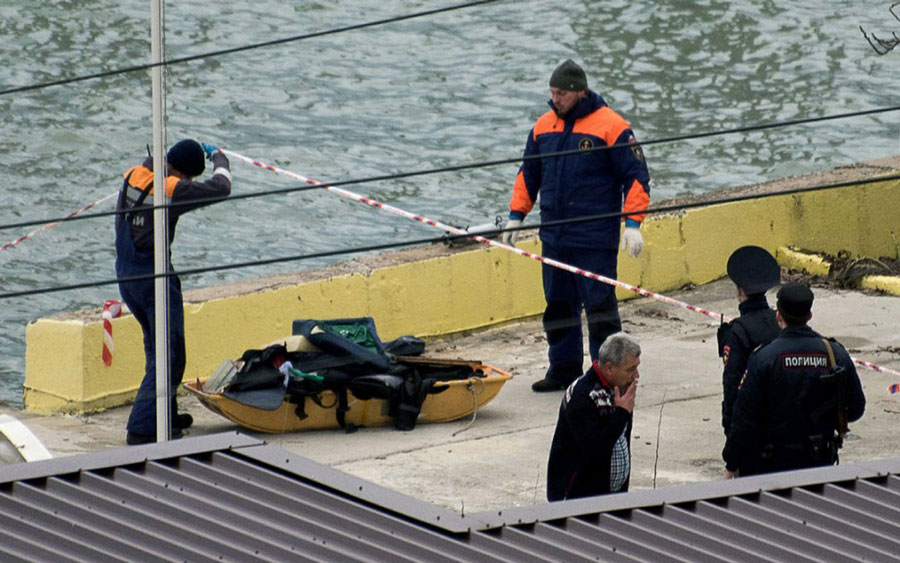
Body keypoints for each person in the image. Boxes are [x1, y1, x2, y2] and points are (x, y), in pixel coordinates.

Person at [501, 59, 651, 392]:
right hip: (555, 236)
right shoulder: (543, 127)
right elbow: (529, 174)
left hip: (594, 238)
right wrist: (516, 214)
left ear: (580, 92)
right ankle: (564, 368)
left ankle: (607, 374)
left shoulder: (611, 126)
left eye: (562, 94)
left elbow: (636, 177)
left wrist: (633, 224)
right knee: (558, 306)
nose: (556, 99)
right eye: (552, 93)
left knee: (600, 308)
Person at [115, 139, 232, 445]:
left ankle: (164, 415)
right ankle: (142, 428)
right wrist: (219, 156)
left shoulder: (133, 175)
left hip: (127, 276)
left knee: (158, 348)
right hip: (154, 279)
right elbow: (222, 187)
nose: (190, 183)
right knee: (168, 355)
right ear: (185, 175)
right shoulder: (172, 189)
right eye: (190, 178)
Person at [722, 283, 866, 477]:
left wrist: (732, 463)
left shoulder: (764, 358)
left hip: (769, 468)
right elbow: (856, 409)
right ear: (809, 316)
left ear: (779, 316)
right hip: (819, 463)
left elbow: (744, 420)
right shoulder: (834, 353)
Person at [546, 332, 640, 501]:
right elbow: (594, 449)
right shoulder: (582, 395)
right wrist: (622, 413)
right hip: (577, 500)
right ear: (609, 368)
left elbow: (622, 441)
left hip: (610, 498)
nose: (636, 375)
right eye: (631, 369)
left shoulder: (620, 390)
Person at [717, 245, 781, 435]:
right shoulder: (780, 320)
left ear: (739, 289)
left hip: (755, 425)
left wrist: (730, 428)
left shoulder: (738, 332)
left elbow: (732, 384)